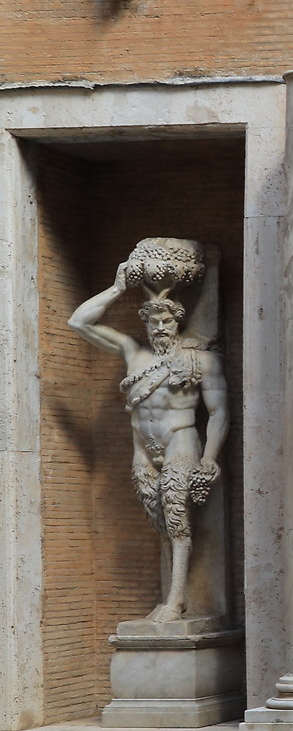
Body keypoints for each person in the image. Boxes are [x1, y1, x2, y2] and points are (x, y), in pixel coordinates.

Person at [68, 244, 231, 622]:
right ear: (145, 324)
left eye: (167, 322)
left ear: (178, 322)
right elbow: (78, 323)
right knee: (160, 522)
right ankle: (173, 596)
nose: (160, 327)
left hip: (182, 440)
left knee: (176, 519)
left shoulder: (198, 359)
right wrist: (117, 288)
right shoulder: (133, 354)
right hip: (143, 448)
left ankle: (175, 601)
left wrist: (209, 458)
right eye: (153, 322)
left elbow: (219, 412)